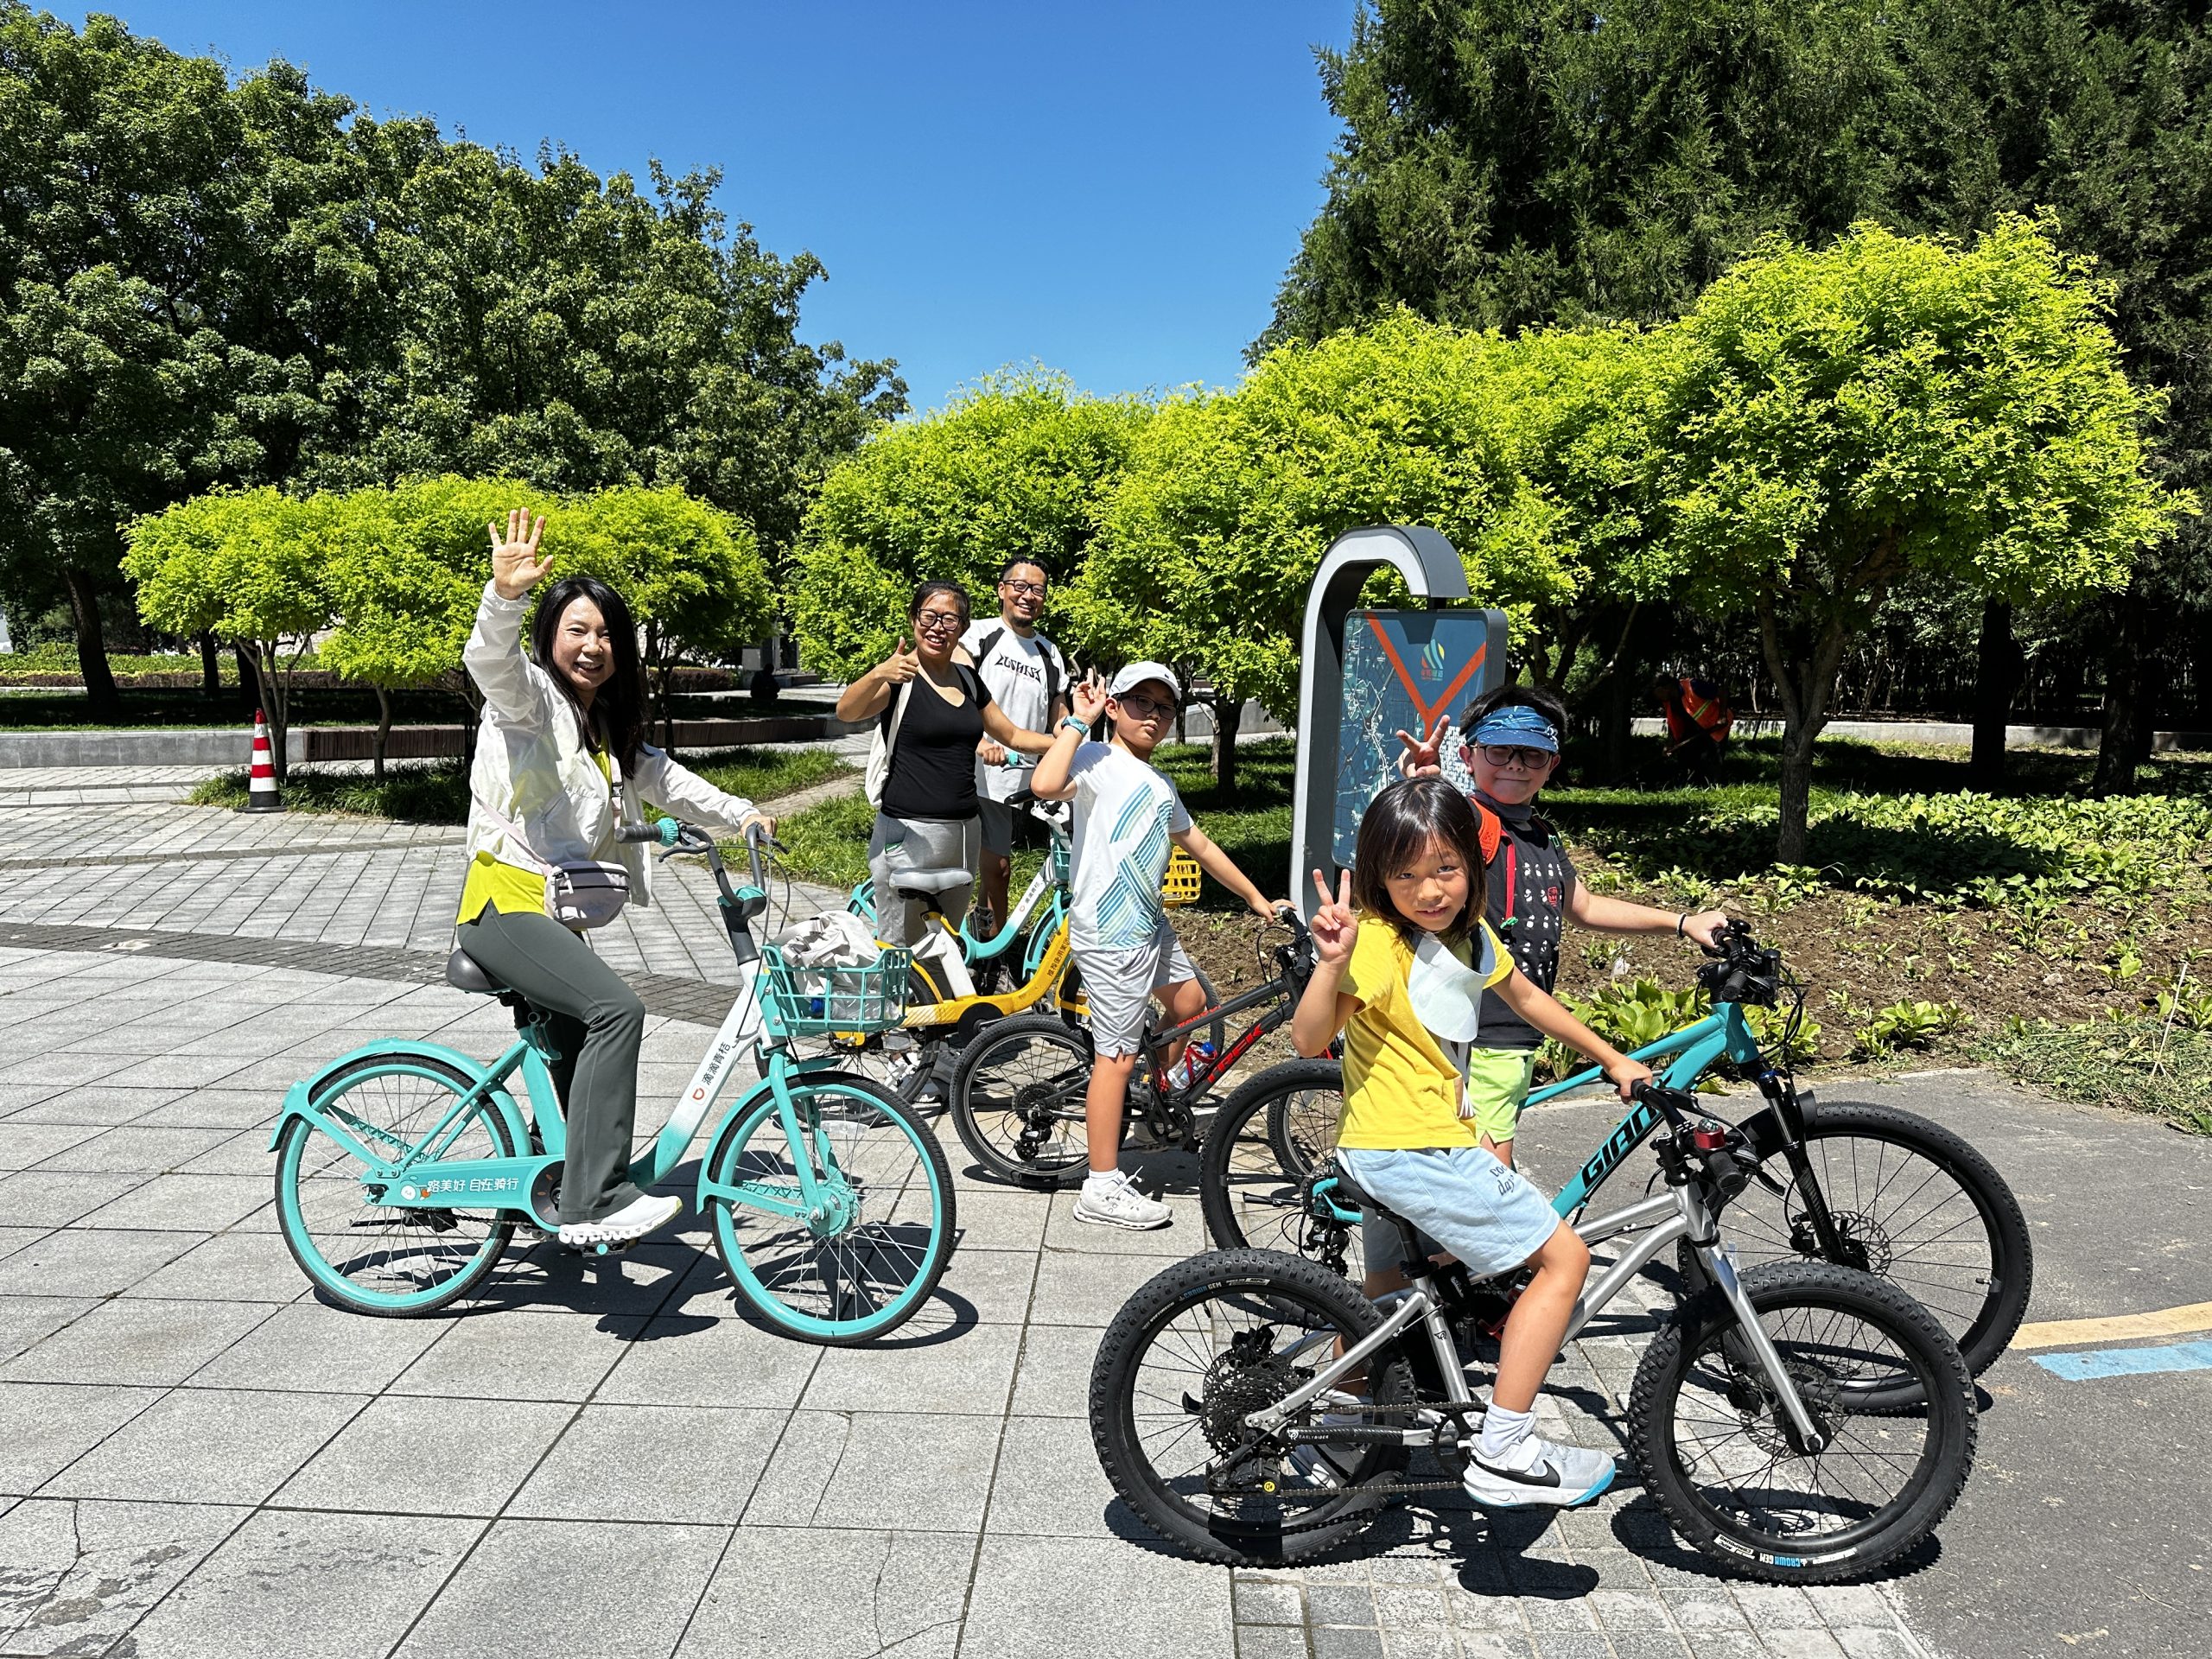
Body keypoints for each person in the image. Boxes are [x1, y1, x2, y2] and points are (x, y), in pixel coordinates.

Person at [1292, 776, 1652, 1509]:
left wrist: (1612, 1056)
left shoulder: (1467, 938)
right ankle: (1506, 1448)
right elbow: (1308, 1040)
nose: (1429, 890)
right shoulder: (1377, 947)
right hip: (1410, 1150)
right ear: (1374, 877)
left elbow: (1527, 999)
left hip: (1398, 1147)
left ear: (1473, 867)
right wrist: (1330, 962)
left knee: (1385, 1302)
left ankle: (1333, 1431)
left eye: (1445, 870)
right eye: (1405, 875)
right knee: (1564, 1259)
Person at [456, 510, 775, 1249]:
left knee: (573, 1048)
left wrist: (743, 814)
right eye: (577, 630)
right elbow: (489, 661)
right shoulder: (528, 700)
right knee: (617, 1011)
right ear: (550, 639)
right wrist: (503, 597)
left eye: (604, 634)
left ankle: (560, 1176)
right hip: (502, 903)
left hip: (552, 913)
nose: (593, 646)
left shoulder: (603, 727)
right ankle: (594, 1199)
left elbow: (665, 778)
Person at [1397, 684, 1726, 1166]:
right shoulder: (1467, 822)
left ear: (1552, 764)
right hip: (1482, 1027)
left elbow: (1585, 907)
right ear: (1468, 756)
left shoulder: (1539, 834)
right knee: (1491, 1188)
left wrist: (1681, 922)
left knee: (1472, 1177)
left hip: (1521, 1024)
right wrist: (1423, 784)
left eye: (1532, 754)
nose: (1515, 764)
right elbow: (1422, 832)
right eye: (1499, 750)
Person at [1031, 662, 1286, 1230]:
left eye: (1163, 707)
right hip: (1110, 930)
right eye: (1139, 702)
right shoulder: (1098, 760)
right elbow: (1044, 785)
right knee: (1114, 1058)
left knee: (1190, 1003)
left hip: (1149, 926)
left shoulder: (1159, 784)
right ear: (1115, 707)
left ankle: (1154, 1104)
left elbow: (1198, 843)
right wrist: (1079, 720)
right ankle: (1100, 1186)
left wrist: (1254, 897)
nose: (1152, 715)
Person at [835, 581, 1055, 948]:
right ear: (914, 619)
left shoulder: (969, 680)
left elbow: (1013, 735)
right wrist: (878, 673)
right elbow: (846, 712)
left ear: (963, 630)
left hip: (965, 832)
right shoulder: (899, 678)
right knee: (900, 946)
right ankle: (892, 1007)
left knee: (943, 945)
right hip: (907, 832)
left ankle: (935, 1005)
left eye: (950, 620)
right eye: (929, 616)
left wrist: (1072, 740)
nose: (938, 627)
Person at [958, 557, 1069, 938]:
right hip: (966, 771)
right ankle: (947, 948)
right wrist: (979, 739)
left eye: (1037, 589)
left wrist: (1070, 735)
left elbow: (1057, 712)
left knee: (998, 871)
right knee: (962, 870)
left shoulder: (1049, 653)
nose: (1028, 596)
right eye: (1019, 586)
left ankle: (989, 948)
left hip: (1013, 779)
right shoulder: (977, 635)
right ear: (1002, 589)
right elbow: (953, 690)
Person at [1653, 671, 1734, 781]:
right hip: (1696, 729)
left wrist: (1722, 715)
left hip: (1715, 726)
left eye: (1655, 692)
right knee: (1687, 759)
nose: (1655, 697)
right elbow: (1673, 722)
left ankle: (1714, 785)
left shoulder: (1693, 686)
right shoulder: (1668, 701)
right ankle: (1691, 782)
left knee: (1711, 763)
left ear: (1667, 687)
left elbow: (1723, 692)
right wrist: (1669, 743)